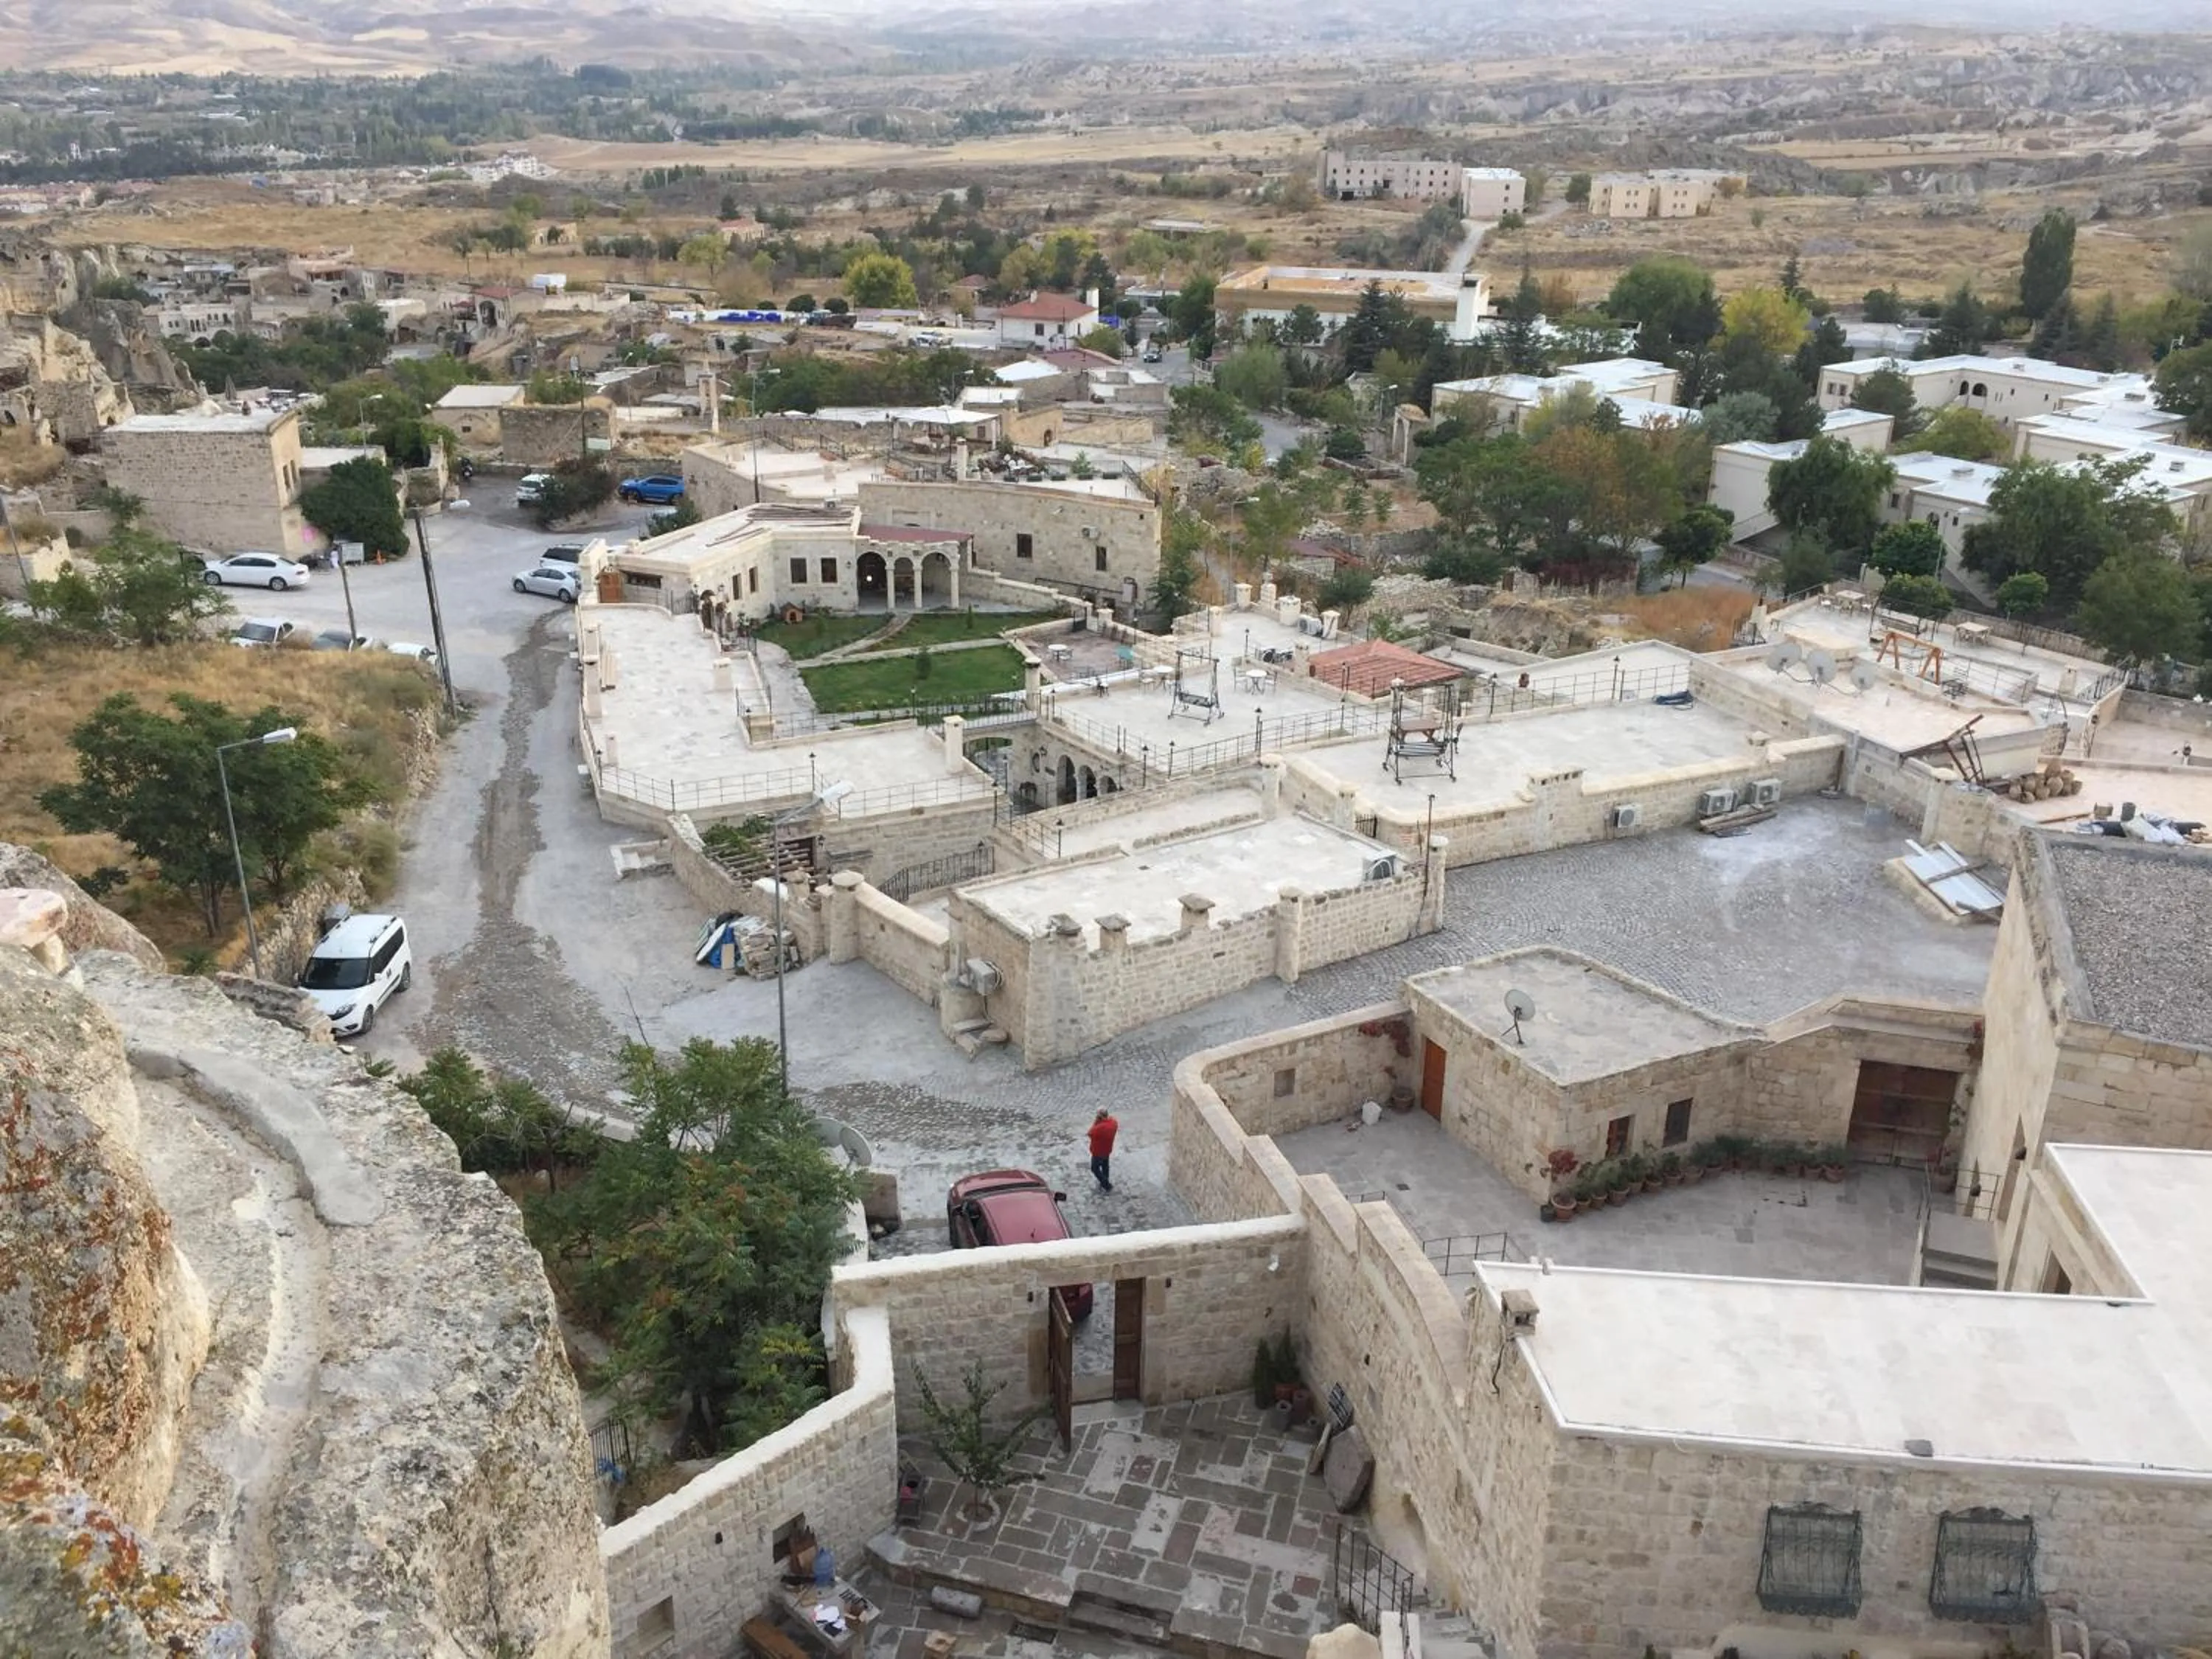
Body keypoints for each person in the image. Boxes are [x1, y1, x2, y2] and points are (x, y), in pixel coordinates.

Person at [1088, 1110, 1119, 1194]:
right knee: (1105, 1166)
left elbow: (1090, 1133)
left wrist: (1096, 1122)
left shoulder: (1098, 1128)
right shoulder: (1114, 1123)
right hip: (1107, 1149)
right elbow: (1111, 1119)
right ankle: (1105, 1180)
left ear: (1100, 1117)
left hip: (1098, 1152)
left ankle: (1107, 1185)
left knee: (1095, 1168)